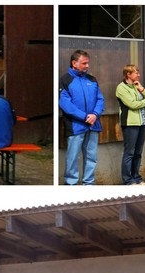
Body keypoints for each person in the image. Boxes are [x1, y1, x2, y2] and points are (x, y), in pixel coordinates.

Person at [59, 50, 104, 185]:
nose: (87, 66)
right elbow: (65, 104)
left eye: (88, 63)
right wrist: (85, 117)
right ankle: (71, 184)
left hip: (93, 125)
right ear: (74, 63)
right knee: (72, 157)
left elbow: (100, 99)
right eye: (84, 63)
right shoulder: (65, 80)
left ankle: (88, 184)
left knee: (92, 156)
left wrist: (95, 114)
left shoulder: (92, 80)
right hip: (75, 126)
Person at [115, 64, 145, 186]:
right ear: (128, 74)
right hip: (130, 123)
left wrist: (142, 90)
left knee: (138, 152)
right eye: (136, 73)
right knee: (129, 152)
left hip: (142, 122)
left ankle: (137, 178)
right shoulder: (121, 88)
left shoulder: (136, 86)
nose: (138, 75)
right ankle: (128, 181)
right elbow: (132, 104)